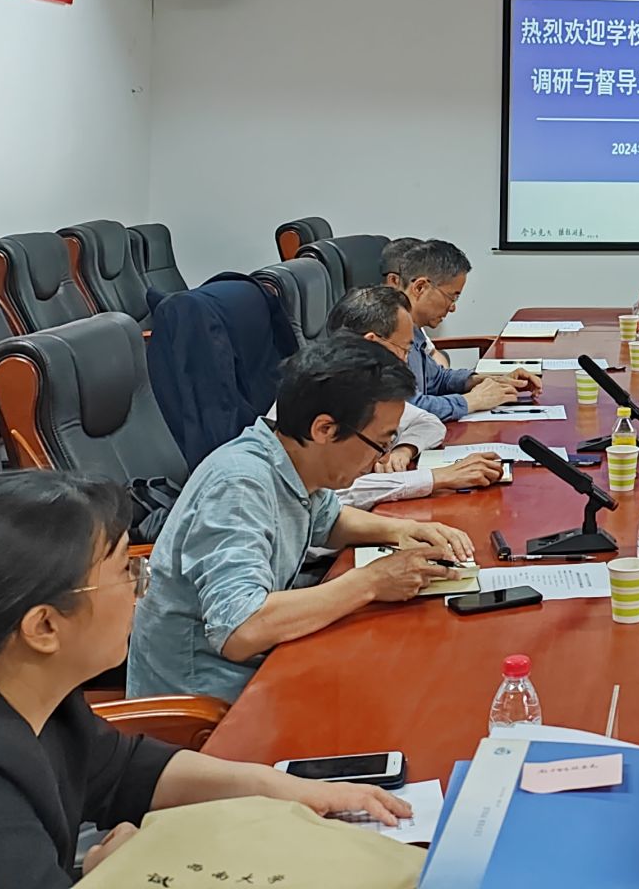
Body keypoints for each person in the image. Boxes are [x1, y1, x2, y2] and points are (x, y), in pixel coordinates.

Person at [0, 471, 409, 888]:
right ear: (43, 626)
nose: (141, 589)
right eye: (124, 574)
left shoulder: (10, 695)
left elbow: (125, 769)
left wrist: (288, 790)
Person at [127, 334, 476, 702]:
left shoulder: (290, 460)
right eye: (379, 443)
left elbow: (329, 521)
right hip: (209, 700)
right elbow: (241, 629)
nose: (381, 457)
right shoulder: (239, 486)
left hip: (264, 668)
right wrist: (373, 581)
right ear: (324, 429)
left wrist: (406, 530)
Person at [324, 285, 504, 501]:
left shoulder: (372, 389)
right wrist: (435, 478)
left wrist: (404, 449)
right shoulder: (325, 396)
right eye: (404, 349)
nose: (406, 360)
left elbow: (428, 422)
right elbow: (335, 495)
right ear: (372, 343)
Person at [396, 239, 539, 421]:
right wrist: (471, 401)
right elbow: (404, 409)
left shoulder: (413, 328)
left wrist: (487, 381)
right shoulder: (385, 333)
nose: (453, 307)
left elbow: (437, 380)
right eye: (452, 297)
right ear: (420, 287)